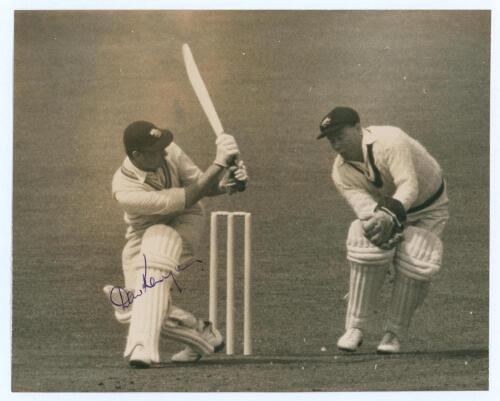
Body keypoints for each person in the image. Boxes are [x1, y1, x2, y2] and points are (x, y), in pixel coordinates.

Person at [104, 120, 248, 367]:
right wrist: (220, 162)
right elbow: (189, 194)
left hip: (186, 219)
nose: (163, 152)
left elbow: (203, 186)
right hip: (140, 233)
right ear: (136, 155)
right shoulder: (125, 189)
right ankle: (200, 334)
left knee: (158, 245)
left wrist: (229, 183)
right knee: (132, 307)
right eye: (155, 150)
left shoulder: (170, 151)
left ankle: (143, 348)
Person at [318, 106, 449, 353]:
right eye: (331, 139)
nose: (336, 144)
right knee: (363, 238)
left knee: (417, 258)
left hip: (429, 205)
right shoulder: (341, 171)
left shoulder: (390, 140)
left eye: (340, 135)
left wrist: (390, 218)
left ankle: (393, 334)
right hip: (389, 206)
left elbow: (408, 185)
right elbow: (367, 211)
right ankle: (354, 328)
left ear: (358, 128)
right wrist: (379, 228)